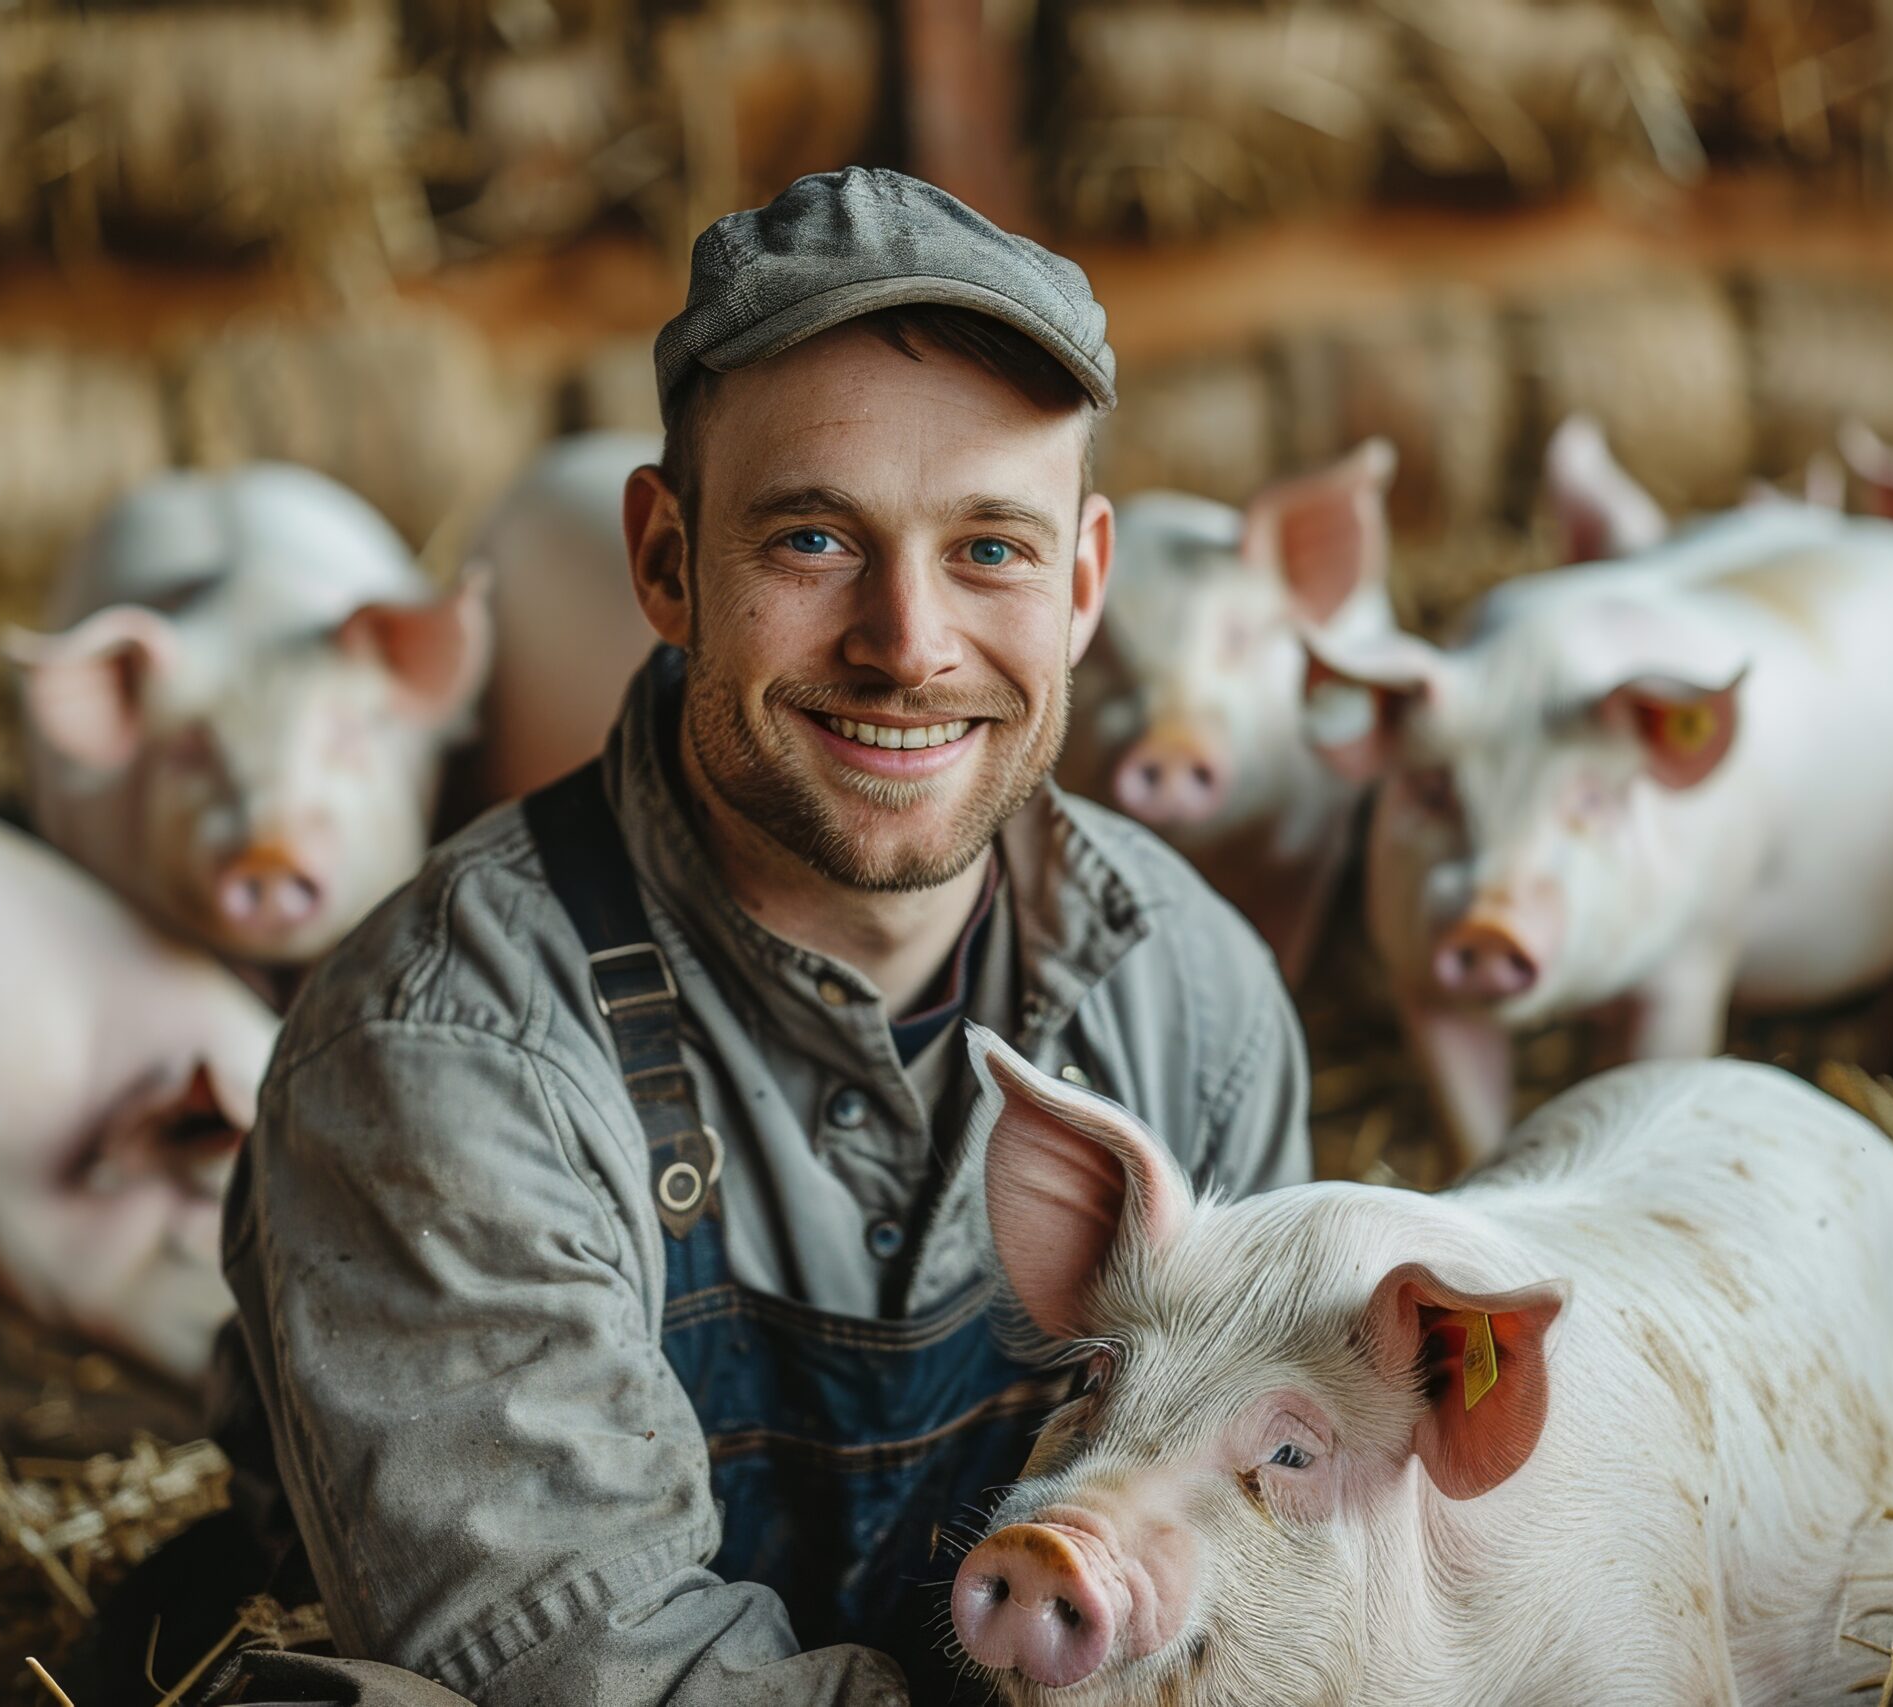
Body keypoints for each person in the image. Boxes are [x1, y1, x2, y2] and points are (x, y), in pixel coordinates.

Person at [220, 167, 1314, 1706]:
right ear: (667, 562)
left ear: (1081, 588)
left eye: (990, 549)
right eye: (812, 541)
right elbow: (594, 1673)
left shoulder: (1185, 989)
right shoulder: (447, 1055)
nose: (907, 646)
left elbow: (1273, 1561)